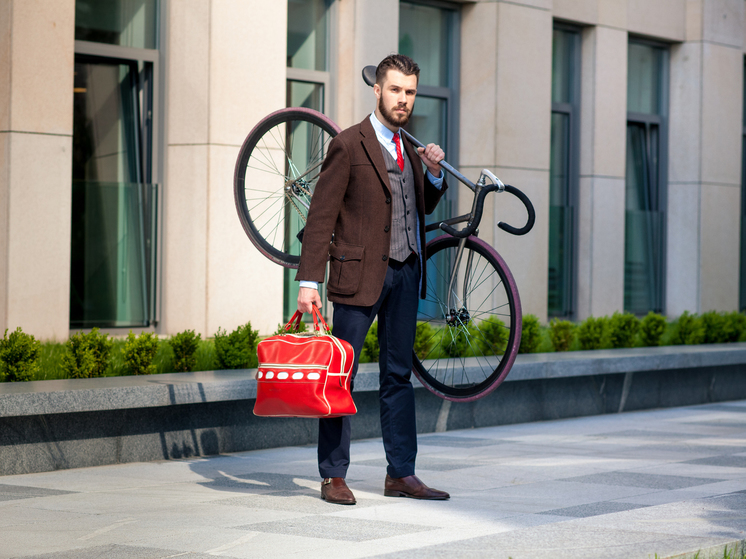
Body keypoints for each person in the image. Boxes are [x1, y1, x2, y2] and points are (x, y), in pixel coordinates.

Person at [296, 54, 450, 505]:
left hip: (405, 274)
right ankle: (333, 474)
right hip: (357, 276)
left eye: (410, 92)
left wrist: (436, 174)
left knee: (398, 376)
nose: (403, 99)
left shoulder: (411, 150)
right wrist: (308, 281)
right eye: (396, 90)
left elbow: (418, 206)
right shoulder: (348, 144)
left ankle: (401, 473)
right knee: (338, 374)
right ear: (378, 90)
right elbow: (321, 217)